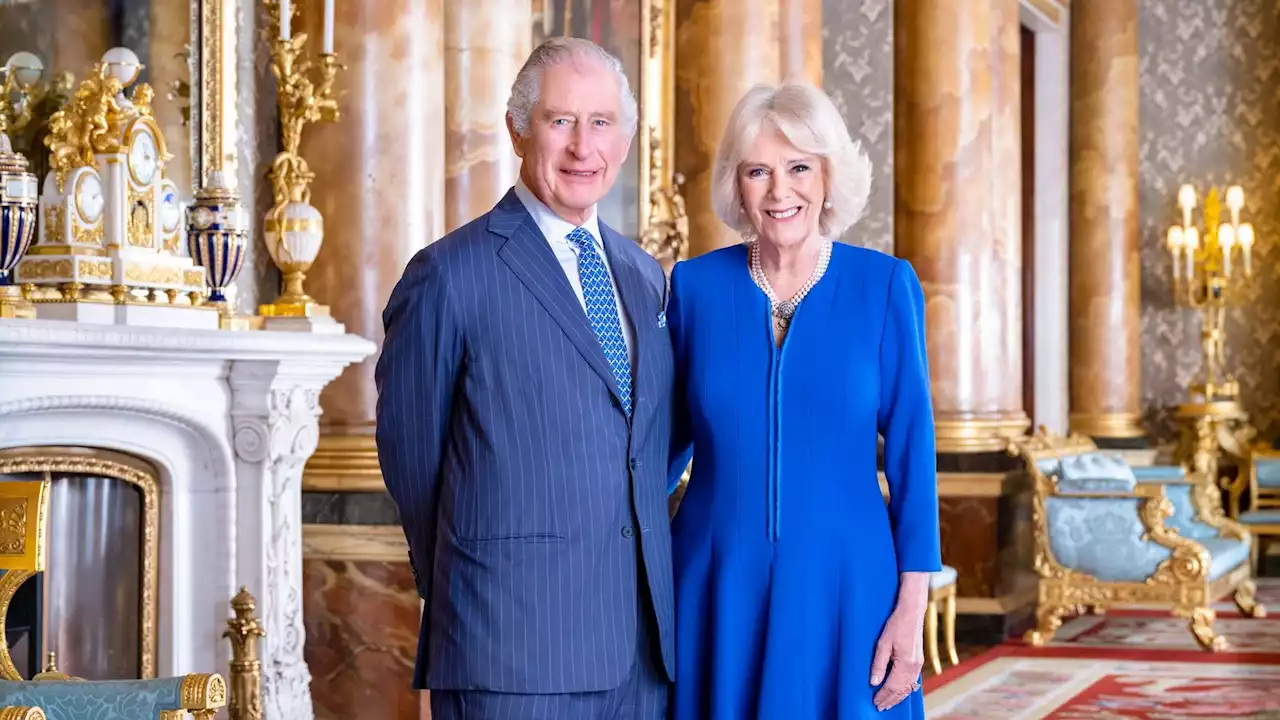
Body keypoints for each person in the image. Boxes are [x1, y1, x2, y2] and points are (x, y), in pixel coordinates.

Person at [375, 37, 674, 720]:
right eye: (559, 121)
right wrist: (471, 585)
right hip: (509, 648)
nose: (582, 146)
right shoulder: (450, 276)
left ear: (624, 141)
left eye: (601, 123)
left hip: (642, 654)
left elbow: (644, 446)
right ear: (517, 129)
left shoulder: (642, 276)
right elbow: (413, 462)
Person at [666, 82, 941, 719]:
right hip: (715, 584)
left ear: (827, 176)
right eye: (758, 171)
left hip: (850, 587)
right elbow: (659, 447)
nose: (780, 190)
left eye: (798, 168)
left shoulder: (883, 286)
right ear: (737, 186)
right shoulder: (694, 288)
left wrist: (912, 606)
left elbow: (912, 456)